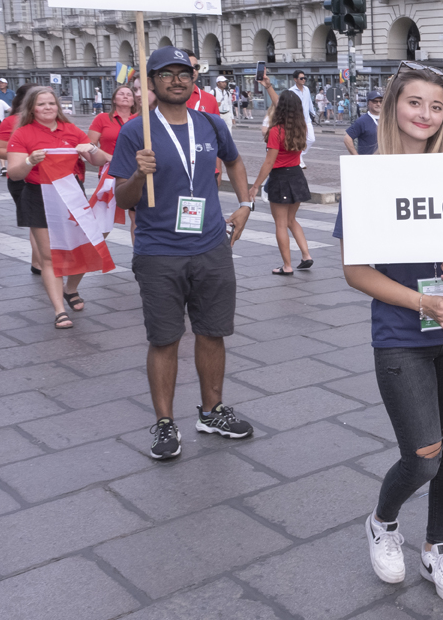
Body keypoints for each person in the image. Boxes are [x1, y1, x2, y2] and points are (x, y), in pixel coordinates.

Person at [337, 64, 443, 602]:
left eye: (436, 106)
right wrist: (422, 300)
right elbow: (356, 271)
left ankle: (436, 551)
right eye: (414, 103)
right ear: (391, 106)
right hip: (402, 334)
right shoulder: (369, 176)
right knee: (424, 456)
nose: (425, 115)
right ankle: (383, 523)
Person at [108, 46, 256, 460]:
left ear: (194, 80)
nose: (177, 80)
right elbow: (122, 197)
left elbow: (236, 162)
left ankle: (211, 411)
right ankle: (164, 422)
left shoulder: (209, 123)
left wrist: (245, 205)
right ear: (151, 83)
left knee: (212, 331)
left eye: (184, 73)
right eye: (166, 74)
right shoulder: (137, 132)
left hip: (211, 246)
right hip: (159, 252)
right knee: (164, 338)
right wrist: (139, 173)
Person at [5, 87, 105, 329]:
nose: (48, 108)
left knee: (85, 247)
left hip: (71, 195)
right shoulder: (22, 134)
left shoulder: (71, 130)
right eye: (41, 104)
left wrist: (90, 149)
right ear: (31, 108)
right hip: (38, 196)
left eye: (51, 103)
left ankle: (71, 289)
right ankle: (60, 310)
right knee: (49, 257)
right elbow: (15, 174)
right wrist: (29, 161)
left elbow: (101, 160)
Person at [250, 92, 314, 275]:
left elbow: (269, 162)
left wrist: (255, 185)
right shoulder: (301, 128)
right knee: (291, 220)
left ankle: (287, 266)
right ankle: (306, 255)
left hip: (280, 177)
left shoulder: (276, 130)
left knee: (280, 223)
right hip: (297, 175)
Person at [0, 84, 42, 270]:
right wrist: (22, 156)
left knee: (42, 222)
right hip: (21, 179)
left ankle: (39, 261)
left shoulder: (47, 122)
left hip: (47, 178)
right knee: (36, 221)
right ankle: (39, 263)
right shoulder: (11, 121)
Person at [89, 85, 142, 241]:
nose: (125, 96)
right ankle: (92, 251)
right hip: (109, 173)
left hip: (134, 172)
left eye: (129, 94)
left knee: (137, 217)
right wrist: (106, 156)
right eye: (121, 94)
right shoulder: (102, 118)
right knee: (103, 217)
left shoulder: (140, 119)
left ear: (134, 100)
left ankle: (138, 256)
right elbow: (90, 145)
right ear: (113, 99)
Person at [287, 70, 316, 164]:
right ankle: (298, 159)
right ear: (295, 79)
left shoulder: (307, 89)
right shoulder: (291, 91)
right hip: (297, 121)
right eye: (301, 78)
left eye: (305, 78)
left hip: (307, 120)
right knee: (298, 140)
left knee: (311, 139)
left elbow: (309, 102)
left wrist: (313, 113)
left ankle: (300, 154)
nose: (304, 80)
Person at [344, 87, 382, 155]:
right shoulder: (362, 121)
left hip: (386, 161)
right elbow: (347, 139)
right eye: (374, 101)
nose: (378, 104)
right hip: (368, 162)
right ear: (368, 103)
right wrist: (356, 157)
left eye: (380, 101)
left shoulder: (387, 119)